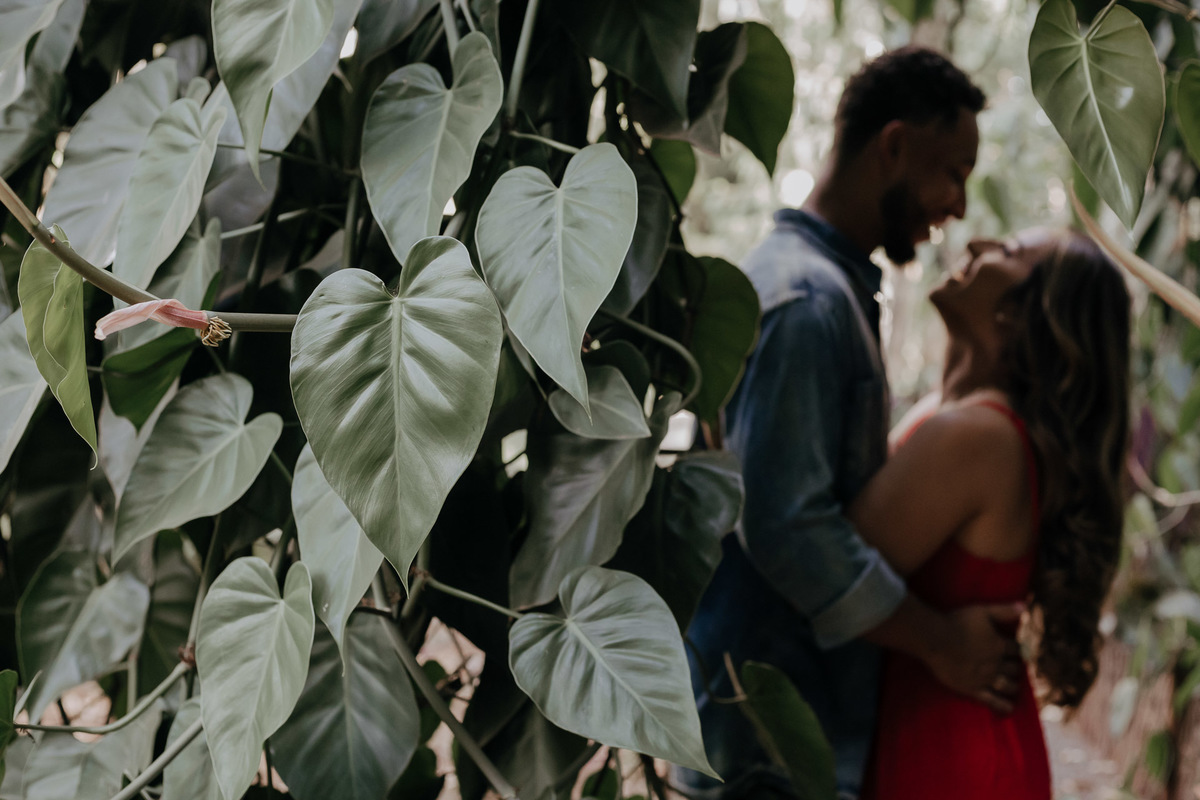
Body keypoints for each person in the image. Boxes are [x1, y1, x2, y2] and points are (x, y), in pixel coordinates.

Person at [682, 47, 1020, 799]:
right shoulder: (807, 304)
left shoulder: (826, 291)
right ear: (893, 146)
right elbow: (786, 525)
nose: (959, 206)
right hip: (766, 749)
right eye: (954, 172)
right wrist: (942, 643)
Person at [856, 228, 1130, 798]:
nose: (978, 243)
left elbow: (821, 567)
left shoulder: (978, 437)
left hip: (953, 761)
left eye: (1007, 252)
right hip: (950, 740)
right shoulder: (955, 416)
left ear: (1020, 315)